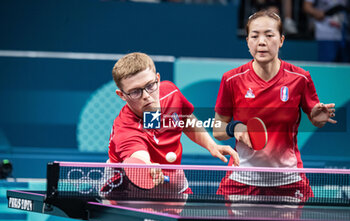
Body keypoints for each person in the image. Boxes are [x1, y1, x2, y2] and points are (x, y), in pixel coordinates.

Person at [213, 10, 337, 200]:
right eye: (254, 36)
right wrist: (235, 128)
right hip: (243, 179)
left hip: (288, 180)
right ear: (247, 42)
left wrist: (318, 119)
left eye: (269, 35)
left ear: (281, 40)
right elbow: (218, 129)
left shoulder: (300, 78)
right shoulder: (231, 80)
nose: (261, 42)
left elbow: (316, 118)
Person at [108, 52, 239, 185]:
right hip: (128, 185)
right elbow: (138, 157)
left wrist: (212, 145)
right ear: (122, 95)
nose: (146, 96)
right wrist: (148, 167)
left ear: (158, 79)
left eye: (150, 86)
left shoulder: (171, 93)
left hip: (172, 176)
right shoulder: (125, 129)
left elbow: (186, 120)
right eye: (135, 92)